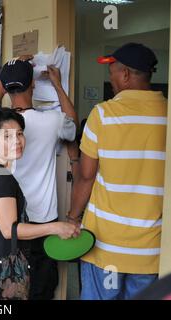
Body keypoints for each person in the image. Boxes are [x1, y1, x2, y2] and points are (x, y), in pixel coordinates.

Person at [68, 43, 167, 300]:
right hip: (151, 249)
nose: (110, 78)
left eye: (111, 71)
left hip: (105, 246)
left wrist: (72, 217)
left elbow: (87, 176)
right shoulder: (167, 113)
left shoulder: (103, 114)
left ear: (125, 75)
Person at [0, 59, 78, 299]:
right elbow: (73, 125)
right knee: (41, 288)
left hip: (9, 222)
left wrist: (8, 72)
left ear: (5, 87)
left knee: (13, 290)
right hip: (42, 221)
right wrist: (58, 85)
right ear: (33, 84)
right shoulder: (53, 121)